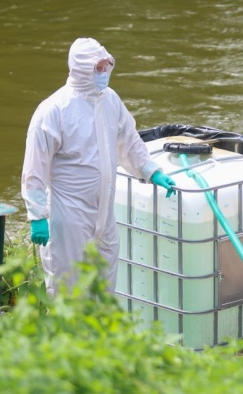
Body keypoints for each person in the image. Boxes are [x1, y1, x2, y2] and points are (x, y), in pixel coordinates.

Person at [21, 37, 176, 296]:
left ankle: (98, 336)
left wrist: (150, 170)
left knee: (104, 284)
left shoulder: (110, 100)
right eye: (99, 67)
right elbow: (35, 167)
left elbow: (128, 139)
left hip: (104, 215)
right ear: (82, 68)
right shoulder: (54, 110)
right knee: (66, 288)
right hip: (68, 216)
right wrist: (37, 216)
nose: (105, 72)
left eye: (106, 65)